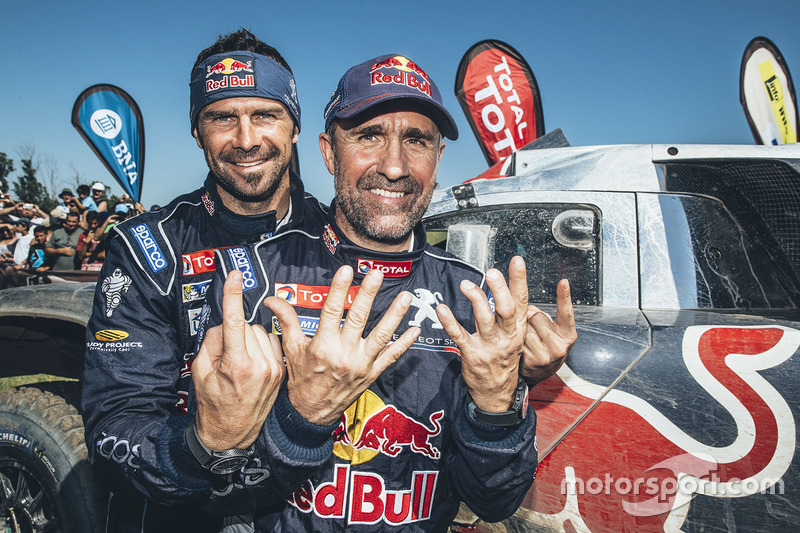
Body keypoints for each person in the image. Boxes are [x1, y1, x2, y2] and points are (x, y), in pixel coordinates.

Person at [193, 54, 575, 531]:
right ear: (330, 152)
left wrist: (499, 401)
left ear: (438, 161)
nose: (394, 167)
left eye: (417, 140)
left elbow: (493, 501)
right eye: (369, 136)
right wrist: (304, 416)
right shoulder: (249, 277)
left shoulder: (473, 298)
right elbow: (210, 492)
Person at [81, 29, 328, 533]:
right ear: (197, 131)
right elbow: (113, 427)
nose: (246, 139)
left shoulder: (340, 240)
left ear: (295, 125)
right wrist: (207, 442)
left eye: (265, 114)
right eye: (221, 117)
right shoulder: (147, 248)